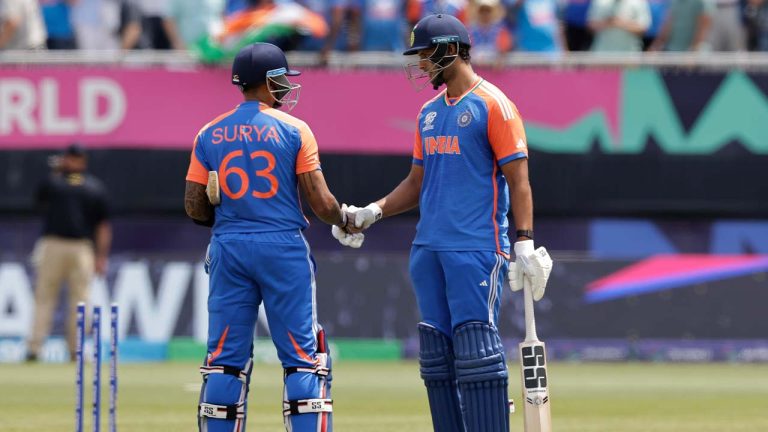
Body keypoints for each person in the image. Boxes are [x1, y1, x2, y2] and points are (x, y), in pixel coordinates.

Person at [345, 13, 553, 432]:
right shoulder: (427, 113)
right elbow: (416, 182)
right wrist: (372, 212)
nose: (421, 64)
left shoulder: (494, 104)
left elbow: (520, 180)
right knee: (437, 358)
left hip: (476, 248)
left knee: (476, 352)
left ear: (451, 51)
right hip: (428, 248)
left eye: (425, 54)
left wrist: (524, 241)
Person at [184, 42, 362, 432]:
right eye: (281, 79)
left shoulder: (208, 133)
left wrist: (226, 203)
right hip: (282, 247)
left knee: (224, 361)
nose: (286, 86)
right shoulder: (295, 130)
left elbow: (195, 208)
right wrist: (345, 218)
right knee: (302, 357)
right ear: (266, 82)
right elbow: (320, 201)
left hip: (229, 246)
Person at [27, 143, 112, 362]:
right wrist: (56, 171)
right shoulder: (55, 183)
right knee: (44, 297)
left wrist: (101, 256)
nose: (71, 161)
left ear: (82, 161)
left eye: (74, 158)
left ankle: (75, 350)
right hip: (53, 244)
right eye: (69, 158)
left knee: (80, 301)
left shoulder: (93, 187)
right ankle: (34, 349)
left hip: (82, 247)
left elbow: (103, 226)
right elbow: (38, 200)